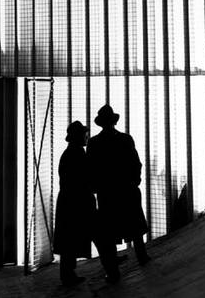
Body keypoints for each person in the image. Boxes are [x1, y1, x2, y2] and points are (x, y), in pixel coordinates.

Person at [87, 104, 150, 279]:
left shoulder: (93, 143)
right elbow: (135, 163)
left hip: (108, 193)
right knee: (135, 224)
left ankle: (113, 269)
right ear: (113, 121)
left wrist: (96, 188)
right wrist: (135, 181)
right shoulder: (125, 139)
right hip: (127, 189)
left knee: (109, 229)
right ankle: (142, 256)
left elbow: (91, 170)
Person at [52, 121, 95, 286]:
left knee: (68, 241)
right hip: (75, 203)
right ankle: (68, 275)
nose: (86, 137)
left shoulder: (70, 153)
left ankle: (68, 274)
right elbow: (84, 179)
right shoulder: (77, 154)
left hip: (68, 202)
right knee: (72, 240)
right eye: (84, 135)